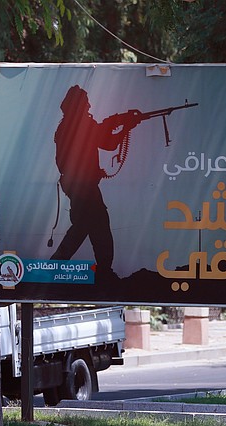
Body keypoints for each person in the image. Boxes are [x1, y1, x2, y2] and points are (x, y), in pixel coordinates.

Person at [49, 85, 139, 281]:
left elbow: (99, 134)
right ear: (78, 105)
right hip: (84, 186)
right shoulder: (80, 126)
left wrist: (118, 122)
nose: (89, 105)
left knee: (83, 226)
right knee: (98, 226)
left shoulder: (67, 126)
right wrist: (127, 126)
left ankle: (57, 265)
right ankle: (101, 271)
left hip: (76, 185)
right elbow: (109, 143)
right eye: (85, 102)